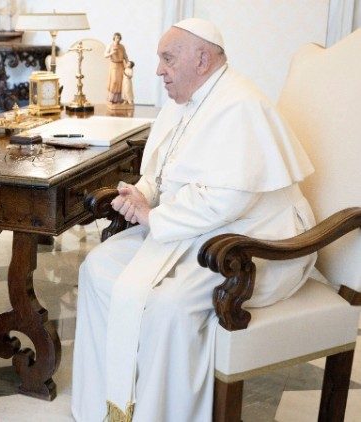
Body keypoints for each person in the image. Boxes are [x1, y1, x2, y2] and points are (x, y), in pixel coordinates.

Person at [71, 18, 316, 421]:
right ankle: (107, 409)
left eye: (168, 58)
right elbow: (162, 170)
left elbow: (230, 198)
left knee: (169, 305)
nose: (158, 70)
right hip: (192, 230)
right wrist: (143, 194)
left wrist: (154, 215)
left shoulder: (240, 105)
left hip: (252, 243)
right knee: (97, 268)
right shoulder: (183, 101)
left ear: (201, 59)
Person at [104, 32, 127, 103]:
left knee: (121, 82)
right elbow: (105, 55)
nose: (118, 39)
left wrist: (128, 62)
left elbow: (125, 55)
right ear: (114, 38)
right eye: (117, 38)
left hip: (121, 65)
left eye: (119, 38)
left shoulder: (122, 46)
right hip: (114, 65)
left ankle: (119, 99)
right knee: (114, 81)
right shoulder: (110, 46)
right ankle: (111, 98)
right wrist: (111, 53)